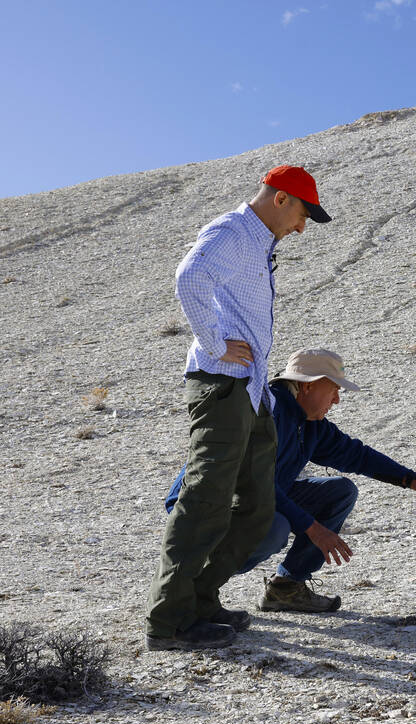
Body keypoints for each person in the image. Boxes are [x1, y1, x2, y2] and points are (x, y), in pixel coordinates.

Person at [145, 166, 333, 651]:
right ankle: (169, 621)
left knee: (256, 508)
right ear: (281, 199)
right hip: (222, 385)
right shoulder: (232, 230)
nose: (301, 227)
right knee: (206, 500)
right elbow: (189, 278)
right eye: (302, 214)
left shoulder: (257, 243)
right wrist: (214, 342)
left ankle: (202, 599)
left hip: (250, 392)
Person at [165, 347, 416, 613]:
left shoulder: (308, 423)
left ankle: (285, 589)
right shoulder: (267, 412)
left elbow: (356, 455)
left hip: (258, 495)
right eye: (333, 389)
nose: (336, 399)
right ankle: (196, 589)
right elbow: (254, 484)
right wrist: (312, 528)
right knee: (275, 527)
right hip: (205, 502)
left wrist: (412, 481)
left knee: (339, 492)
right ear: (306, 387)